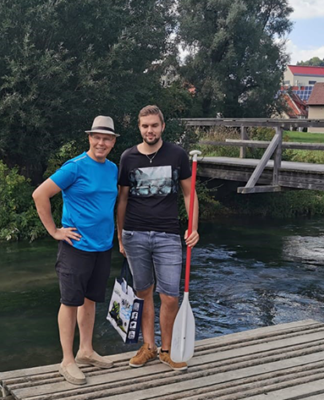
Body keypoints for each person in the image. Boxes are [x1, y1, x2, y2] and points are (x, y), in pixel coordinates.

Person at [32, 115, 119, 385]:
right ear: (89, 138)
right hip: (76, 246)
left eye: (106, 138)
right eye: (97, 137)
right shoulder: (75, 167)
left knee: (91, 300)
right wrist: (54, 231)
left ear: (113, 142)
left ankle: (86, 351)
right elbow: (40, 194)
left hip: (103, 247)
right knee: (70, 302)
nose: (101, 142)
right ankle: (67, 360)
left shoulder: (113, 168)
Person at [117, 105, 199, 371]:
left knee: (170, 296)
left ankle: (168, 349)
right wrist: (120, 236)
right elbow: (123, 199)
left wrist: (193, 227)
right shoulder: (128, 157)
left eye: (154, 125)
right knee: (143, 293)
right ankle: (148, 347)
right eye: (145, 126)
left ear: (163, 126)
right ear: (139, 128)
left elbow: (189, 194)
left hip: (168, 234)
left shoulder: (177, 154)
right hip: (134, 233)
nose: (149, 130)